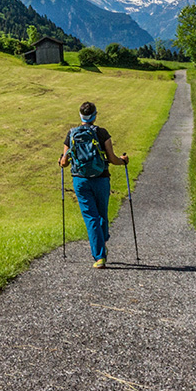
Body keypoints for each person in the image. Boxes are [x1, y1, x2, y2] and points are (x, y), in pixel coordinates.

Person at [58, 101, 128, 268]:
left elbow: (64, 162)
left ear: (81, 115)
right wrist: (123, 161)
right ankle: (101, 245)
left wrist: (61, 162)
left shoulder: (72, 134)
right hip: (101, 178)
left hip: (80, 180)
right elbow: (112, 159)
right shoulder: (102, 133)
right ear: (95, 115)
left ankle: (99, 257)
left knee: (91, 217)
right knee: (101, 214)